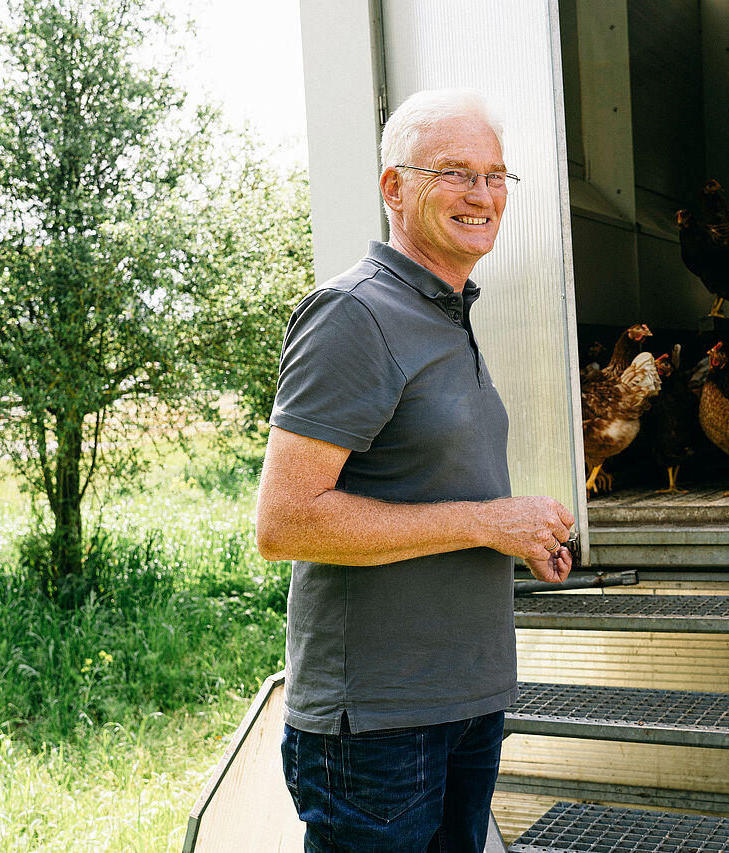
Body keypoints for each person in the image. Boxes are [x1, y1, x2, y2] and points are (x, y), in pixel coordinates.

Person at [255, 87, 575, 852]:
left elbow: (422, 486)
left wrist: (516, 534)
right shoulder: (353, 314)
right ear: (393, 188)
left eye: (496, 175)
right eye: (455, 172)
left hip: (466, 698)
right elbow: (285, 521)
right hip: (379, 727)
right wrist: (488, 521)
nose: (482, 194)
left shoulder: (447, 311)